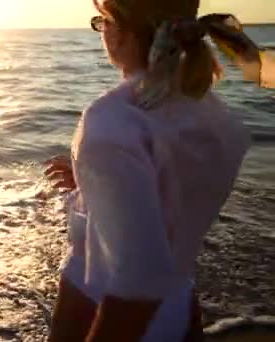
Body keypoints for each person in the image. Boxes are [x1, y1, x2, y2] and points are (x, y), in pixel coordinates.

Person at [44, 0, 273, 341]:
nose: (102, 31)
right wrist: (92, 186)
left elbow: (139, 285)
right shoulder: (217, 118)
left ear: (123, 31)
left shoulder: (112, 122)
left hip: (105, 317)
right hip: (176, 312)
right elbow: (171, 213)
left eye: (103, 21)